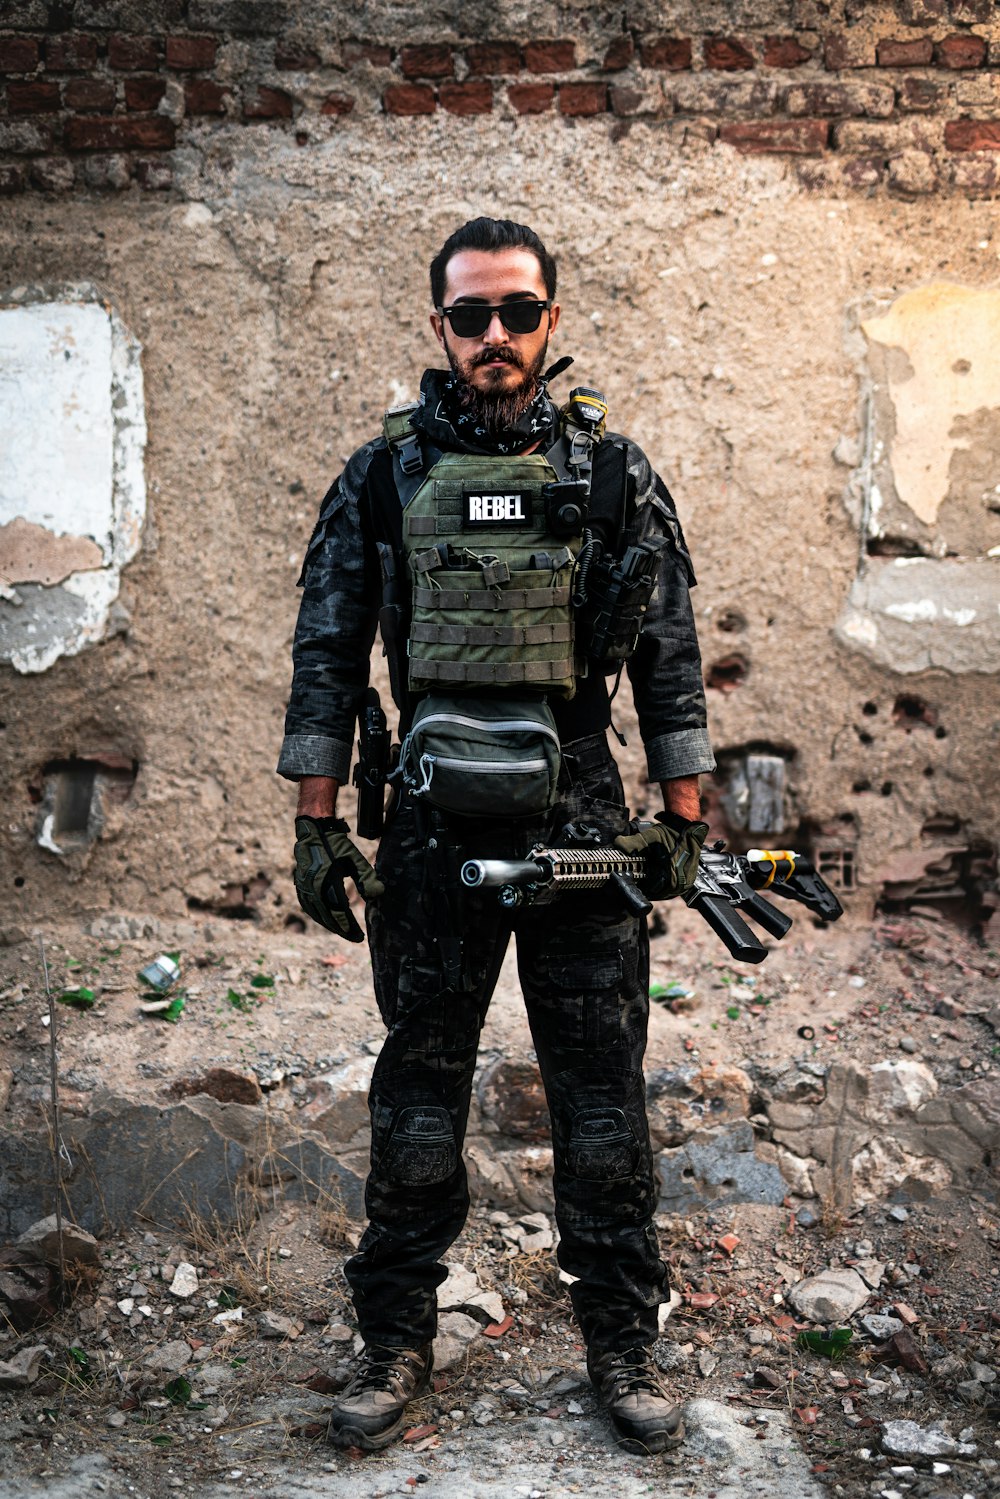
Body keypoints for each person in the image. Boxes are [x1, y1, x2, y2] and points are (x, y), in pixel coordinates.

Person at [278, 217, 715, 1456]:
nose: (494, 337)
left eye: (516, 312)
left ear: (550, 322)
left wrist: (682, 816)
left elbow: (670, 661)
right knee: (419, 1090)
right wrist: (316, 825)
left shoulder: (612, 472)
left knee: (599, 1099)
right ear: (439, 329)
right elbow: (327, 656)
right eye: (469, 316)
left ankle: (622, 1337)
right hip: (425, 821)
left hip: (578, 806)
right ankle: (395, 1336)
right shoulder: (385, 474)